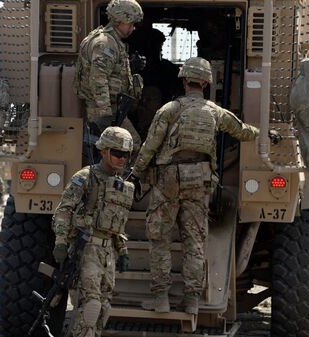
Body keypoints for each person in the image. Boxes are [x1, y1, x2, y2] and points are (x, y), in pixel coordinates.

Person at [130, 57, 261, 314]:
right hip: (199, 179)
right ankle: (191, 300)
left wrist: (136, 173)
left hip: (168, 179)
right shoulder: (215, 111)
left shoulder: (168, 110)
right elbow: (243, 131)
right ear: (205, 83)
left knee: (160, 238)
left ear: (183, 80)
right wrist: (264, 133)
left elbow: (150, 146)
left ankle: (161, 298)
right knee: (195, 240)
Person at [52, 127, 135, 337]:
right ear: (103, 151)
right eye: (117, 154)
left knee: (104, 308)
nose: (122, 159)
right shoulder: (86, 177)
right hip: (87, 247)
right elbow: (64, 210)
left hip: (108, 252)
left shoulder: (120, 184)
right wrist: (61, 242)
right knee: (91, 306)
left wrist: (122, 250)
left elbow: (117, 223)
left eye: (126, 155)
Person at [73, 0, 144, 157]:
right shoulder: (105, 43)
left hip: (108, 108)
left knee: (115, 149)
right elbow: (98, 78)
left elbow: (110, 73)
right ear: (119, 20)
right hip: (103, 110)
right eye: (130, 23)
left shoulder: (111, 42)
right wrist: (105, 113)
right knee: (132, 144)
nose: (133, 27)